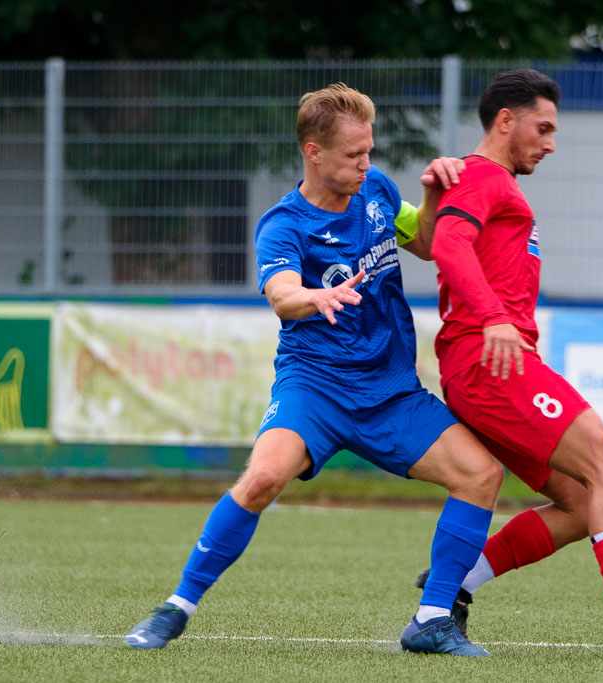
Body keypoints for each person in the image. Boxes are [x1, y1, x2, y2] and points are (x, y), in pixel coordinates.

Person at [124, 83, 504, 657]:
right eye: (353, 154)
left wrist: (429, 197)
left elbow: (424, 242)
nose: (366, 163)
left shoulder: (376, 190)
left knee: (481, 475)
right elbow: (280, 295)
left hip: (390, 390)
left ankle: (432, 619)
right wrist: (313, 298)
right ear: (313, 151)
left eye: (369, 150)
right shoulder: (283, 225)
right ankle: (175, 607)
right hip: (316, 386)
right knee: (261, 479)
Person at [417, 69, 603, 659]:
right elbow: (446, 245)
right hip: (489, 359)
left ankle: (452, 589)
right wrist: (494, 317)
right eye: (543, 127)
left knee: (585, 500)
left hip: (489, 361)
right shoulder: (482, 176)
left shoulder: (496, 185)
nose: (551, 143)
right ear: (507, 120)